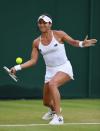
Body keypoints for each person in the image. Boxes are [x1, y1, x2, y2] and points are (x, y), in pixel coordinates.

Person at [10, 14, 97, 125]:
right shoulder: (36, 42)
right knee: (46, 102)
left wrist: (82, 44)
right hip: (50, 71)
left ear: (50, 24)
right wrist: (17, 67)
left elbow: (73, 42)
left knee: (53, 84)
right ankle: (54, 110)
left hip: (64, 67)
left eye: (44, 22)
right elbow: (33, 61)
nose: (42, 24)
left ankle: (59, 117)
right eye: (40, 22)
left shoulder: (59, 34)